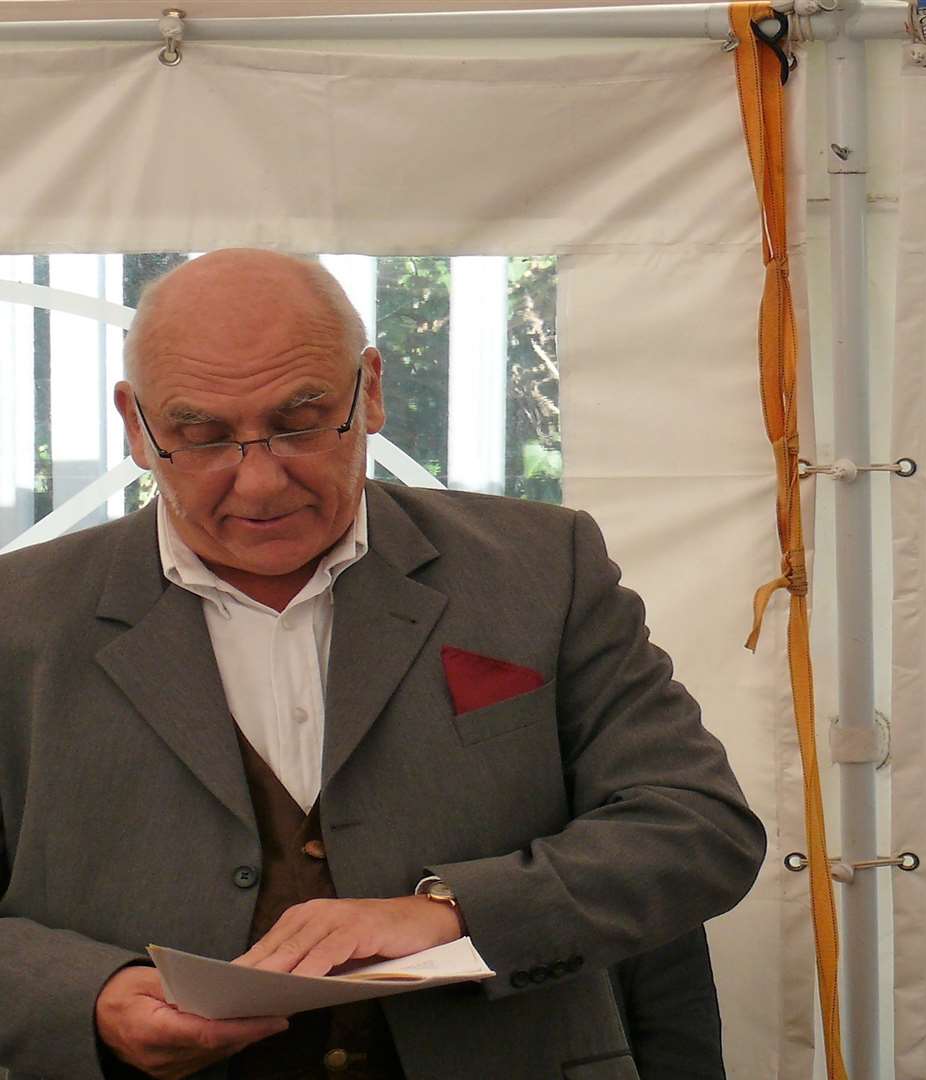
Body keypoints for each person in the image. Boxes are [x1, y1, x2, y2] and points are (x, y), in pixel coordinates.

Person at [0, 249, 767, 1079]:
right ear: (135, 425)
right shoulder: (20, 617)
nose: (258, 483)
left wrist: (451, 912)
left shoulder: (543, 569)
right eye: (202, 436)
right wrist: (87, 996)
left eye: (299, 422)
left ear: (369, 390)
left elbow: (697, 825)